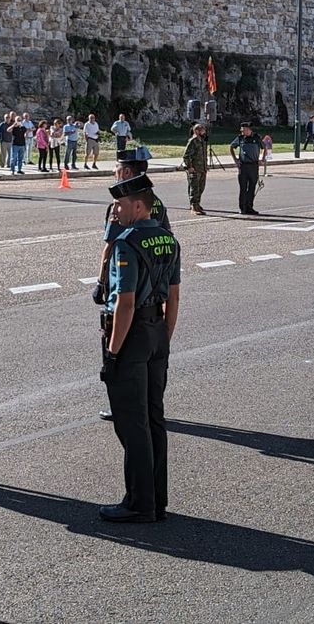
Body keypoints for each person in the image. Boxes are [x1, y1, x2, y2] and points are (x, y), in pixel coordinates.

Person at [95, 173, 181, 523]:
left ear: (139, 205)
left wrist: (113, 353)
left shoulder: (127, 243)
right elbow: (174, 297)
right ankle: (157, 498)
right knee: (154, 418)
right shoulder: (169, 240)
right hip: (157, 331)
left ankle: (139, 502)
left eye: (120, 204)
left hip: (130, 335)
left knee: (132, 423)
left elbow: (125, 303)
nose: (115, 210)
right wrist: (164, 338)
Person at [230, 122, 263, 215]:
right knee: (243, 188)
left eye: (244, 130)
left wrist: (262, 159)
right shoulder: (240, 138)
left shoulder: (256, 138)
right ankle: (242, 208)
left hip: (254, 166)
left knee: (252, 188)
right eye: (241, 130)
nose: (242, 131)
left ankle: (250, 207)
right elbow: (231, 147)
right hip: (243, 166)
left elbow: (264, 147)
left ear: (249, 130)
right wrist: (236, 160)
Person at [181, 123, 209, 215]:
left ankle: (197, 204)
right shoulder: (193, 141)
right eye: (202, 129)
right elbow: (186, 155)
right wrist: (190, 167)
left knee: (201, 188)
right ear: (196, 131)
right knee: (194, 188)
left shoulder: (202, 141)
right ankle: (194, 206)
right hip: (195, 169)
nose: (204, 131)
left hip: (202, 169)